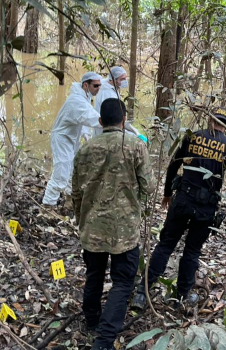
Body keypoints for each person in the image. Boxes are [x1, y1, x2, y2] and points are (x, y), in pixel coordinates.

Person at [132, 107, 226, 309]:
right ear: (225, 126)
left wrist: (167, 193)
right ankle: (183, 295)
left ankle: (142, 292)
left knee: (166, 244)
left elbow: (173, 165)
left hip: (183, 199)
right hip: (206, 207)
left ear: (209, 120)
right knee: (192, 251)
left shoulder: (192, 137)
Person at [72, 98, 154, 350]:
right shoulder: (135, 146)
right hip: (125, 230)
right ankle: (104, 339)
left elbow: (75, 192)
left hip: (93, 227)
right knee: (122, 282)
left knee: (94, 275)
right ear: (124, 120)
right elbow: (148, 187)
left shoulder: (85, 149)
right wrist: (138, 205)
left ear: (100, 122)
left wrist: (81, 219)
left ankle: (92, 321)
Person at [42, 72, 102, 206]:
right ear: (85, 85)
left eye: (100, 85)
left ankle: (70, 200)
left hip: (72, 139)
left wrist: (85, 133)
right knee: (61, 174)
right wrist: (111, 121)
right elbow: (91, 117)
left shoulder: (84, 97)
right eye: (96, 85)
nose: (98, 88)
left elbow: (83, 117)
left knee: (74, 170)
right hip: (62, 139)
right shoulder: (76, 100)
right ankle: (47, 206)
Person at [91, 65, 146, 142]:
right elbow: (114, 120)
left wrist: (135, 131)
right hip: (107, 132)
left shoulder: (111, 87)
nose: (125, 81)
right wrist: (134, 134)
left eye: (125, 78)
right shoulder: (107, 93)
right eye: (122, 79)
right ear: (113, 79)